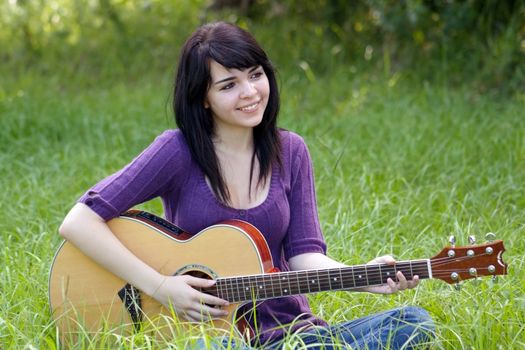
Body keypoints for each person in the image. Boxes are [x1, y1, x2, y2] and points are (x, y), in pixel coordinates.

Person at [59, 22, 434, 349]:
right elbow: (78, 222)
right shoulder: (177, 151)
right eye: (228, 85)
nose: (250, 92)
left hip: (291, 334)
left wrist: (364, 278)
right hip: (208, 337)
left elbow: (304, 256)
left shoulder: (291, 150)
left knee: (414, 321)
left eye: (255, 75)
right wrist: (160, 287)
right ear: (203, 98)